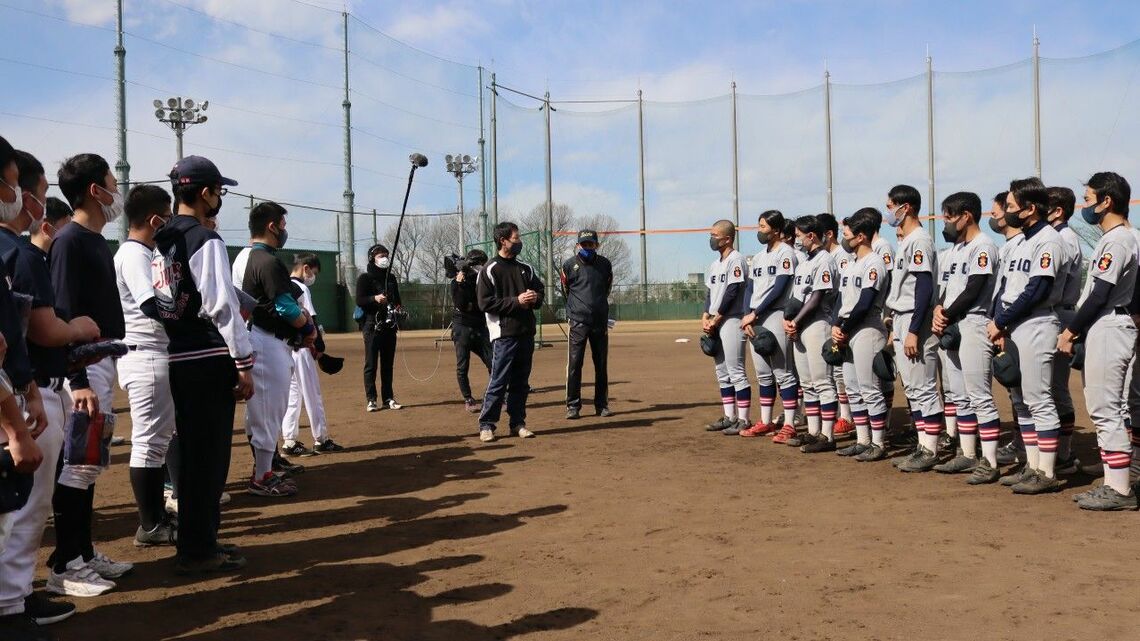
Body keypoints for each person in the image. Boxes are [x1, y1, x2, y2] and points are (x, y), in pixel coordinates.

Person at [0, 149, 101, 632]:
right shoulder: (20, 252)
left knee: (17, 507)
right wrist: (78, 327)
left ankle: (16, 598)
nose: (38, 202)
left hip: (23, 388)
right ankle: (10, 604)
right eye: (33, 192)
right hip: (25, 390)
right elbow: (43, 330)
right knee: (22, 506)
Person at [151, 155, 252, 573]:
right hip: (209, 357)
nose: (219, 199)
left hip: (179, 354)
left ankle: (198, 541)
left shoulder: (163, 238)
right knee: (209, 460)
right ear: (206, 192)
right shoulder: (203, 239)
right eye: (218, 191)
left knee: (193, 458)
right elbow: (222, 306)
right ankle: (198, 550)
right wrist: (243, 363)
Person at [48, 153, 132, 590]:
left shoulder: (95, 239)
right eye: (112, 182)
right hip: (81, 369)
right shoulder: (70, 241)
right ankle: (64, 566)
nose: (118, 190)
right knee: (76, 466)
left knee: (89, 464)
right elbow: (62, 313)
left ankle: (82, 551)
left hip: (101, 362)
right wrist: (77, 380)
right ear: (95, 191)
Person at [1062, 172, 1138, 510]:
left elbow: (1098, 294)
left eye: (1089, 199)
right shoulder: (1129, 237)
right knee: (1116, 407)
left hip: (1109, 322)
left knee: (1105, 408)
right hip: (1117, 320)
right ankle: (1117, 479)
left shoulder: (1117, 239)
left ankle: (1119, 490)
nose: (1085, 206)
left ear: (1107, 201)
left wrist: (1070, 330)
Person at [987, 177, 1064, 494]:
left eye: (1011, 206)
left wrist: (1001, 320)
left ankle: (1046, 472)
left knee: (1039, 399)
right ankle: (1032, 466)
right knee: (1021, 401)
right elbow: (1004, 288)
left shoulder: (1049, 240)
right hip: (1013, 325)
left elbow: (1038, 289)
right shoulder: (1019, 242)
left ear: (1031, 209)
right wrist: (997, 321)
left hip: (1036, 323)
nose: (1006, 212)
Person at [113, 184, 180, 548]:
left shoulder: (141, 251)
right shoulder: (135, 253)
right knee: (149, 444)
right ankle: (151, 526)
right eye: (167, 217)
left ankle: (155, 517)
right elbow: (152, 305)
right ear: (156, 220)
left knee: (156, 441)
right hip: (146, 353)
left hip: (151, 353)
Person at [235, 202, 315, 497]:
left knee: (263, 411)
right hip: (266, 340)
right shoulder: (267, 261)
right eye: (281, 224)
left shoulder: (247, 257)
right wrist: (307, 328)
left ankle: (265, 469)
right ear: (271, 226)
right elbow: (285, 307)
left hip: (256, 337)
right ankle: (262, 477)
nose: (284, 230)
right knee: (270, 410)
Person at [930, 192, 999, 481]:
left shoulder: (983, 246)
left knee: (979, 395)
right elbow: (947, 289)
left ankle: (990, 462)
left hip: (974, 322)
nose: (946, 222)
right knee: (959, 395)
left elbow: (975, 288)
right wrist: (939, 309)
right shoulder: (957, 249)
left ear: (966, 215)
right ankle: (968, 455)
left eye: (949, 216)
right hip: (953, 324)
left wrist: (944, 313)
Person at [882, 184, 943, 472]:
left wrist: (914, 329)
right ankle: (922, 445)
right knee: (914, 388)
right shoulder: (906, 241)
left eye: (891, 205)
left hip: (915, 318)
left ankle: (930, 449)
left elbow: (924, 285)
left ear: (906, 207)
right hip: (903, 316)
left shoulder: (919, 239)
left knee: (924, 387)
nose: (889, 211)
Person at [476, 222, 544, 443]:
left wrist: (535, 298)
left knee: (521, 383)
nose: (519, 242)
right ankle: (487, 425)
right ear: (503, 240)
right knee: (498, 380)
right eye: (516, 238)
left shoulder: (526, 268)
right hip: (503, 335)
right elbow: (485, 303)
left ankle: (518, 423)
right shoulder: (489, 270)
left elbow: (540, 291)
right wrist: (516, 301)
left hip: (526, 333)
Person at [834, 209, 890, 461]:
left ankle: (878, 443)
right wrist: (837, 325)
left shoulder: (874, 262)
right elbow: (845, 302)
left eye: (847, 233)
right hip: (849, 328)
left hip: (867, 328)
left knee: (869, 388)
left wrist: (844, 329)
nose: (844, 237)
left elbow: (865, 302)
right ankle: (862, 439)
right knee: (853, 388)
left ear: (861, 236)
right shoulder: (852, 263)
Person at [780, 215, 838, 451]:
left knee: (823, 382)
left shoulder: (824, 260)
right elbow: (796, 298)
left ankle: (828, 436)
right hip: (801, 326)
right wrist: (790, 321)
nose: (797, 240)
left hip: (817, 324)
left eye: (800, 236)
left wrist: (795, 321)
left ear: (812, 236)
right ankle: (813, 432)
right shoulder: (804, 262)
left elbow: (817, 298)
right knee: (807, 383)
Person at [738, 211, 797, 437]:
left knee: (783, 371)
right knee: (763, 373)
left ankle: (790, 423)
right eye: (759, 225)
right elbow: (750, 288)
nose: (759, 230)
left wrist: (756, 313)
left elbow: (780, 288)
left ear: (775, 229)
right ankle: (765, 421)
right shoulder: (760, 256)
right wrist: (747, 315)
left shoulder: (786, 253)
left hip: (774, 314)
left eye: (763, 226)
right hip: (755, 317)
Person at [281, 254, 343, 455]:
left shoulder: (282, 286)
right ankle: (321, 439)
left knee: (292, 396)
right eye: (313, 272)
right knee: (312, 394)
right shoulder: (301, 288)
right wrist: (320, 347)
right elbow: (311, 318)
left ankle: (289, 441)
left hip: (287, 349)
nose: (312, 277)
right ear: (305, 268)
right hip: (304, 349)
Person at [1045, 186, 1083, 474]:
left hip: (1060, 313)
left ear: (1058, 211)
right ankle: (1056, 451)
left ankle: (1065, 454)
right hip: (1055, 313)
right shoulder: (1055, 237)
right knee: (1049, 388)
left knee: (1056, 388)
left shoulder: (1064, 239)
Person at [702, 220, 751, 435]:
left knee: (736, 370)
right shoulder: (714, 265)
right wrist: (706, 315)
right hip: (715, 320)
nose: (711, 239)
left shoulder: (736, 260)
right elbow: (709, 293)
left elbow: (733, 291)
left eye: (715, 235)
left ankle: (743, 419)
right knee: (722, 372)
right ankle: (729, 416)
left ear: (728, 238)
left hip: (731, 319)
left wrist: (717, 317)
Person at [561, 229, 614, 420]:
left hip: (599, 321)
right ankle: (573, 406)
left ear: (596, 245)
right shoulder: (569, 265)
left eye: (590, 244)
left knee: (601, 364)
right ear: (578, 245)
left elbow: (607, 287)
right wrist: (576, 312)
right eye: (584, 244)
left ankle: (602, 405)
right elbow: (566, 289)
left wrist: (597, 307)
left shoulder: (605, 265)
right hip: (577, 321)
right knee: (575, 364)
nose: (587, 247)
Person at [817, 212, 854, 436]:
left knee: (841, 371)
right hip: (830, 319)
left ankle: (846, 416)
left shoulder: (841, 256)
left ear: (829, 234)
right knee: (833, 370)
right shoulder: (826, 256)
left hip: (841, 320)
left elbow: (843, 293)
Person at [356, 244, 403, 412]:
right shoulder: (365, 278)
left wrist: (398, 309)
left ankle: (388, 398)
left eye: (385, 255)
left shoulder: (391, 278)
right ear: (372, 258)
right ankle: (371, 399)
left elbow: (398, 300)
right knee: (371, 364)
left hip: (390, 326)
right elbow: (360, 300)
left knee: (387, 364)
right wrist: (374, 298)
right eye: (379, 255)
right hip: (371, 326)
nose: (383, 258)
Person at [451, 249, 493, 412]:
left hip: (481, 326)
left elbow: (482, 304)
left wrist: (473, 306)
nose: (481, 267)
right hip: (462, 327)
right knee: (463, 365)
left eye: (483, 263)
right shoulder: (458, 281)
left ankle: (493, 395)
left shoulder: (485, 280)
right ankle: (468, 398)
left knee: (493, 362)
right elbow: (462, 304)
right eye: (478, 264)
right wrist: (460, 284)